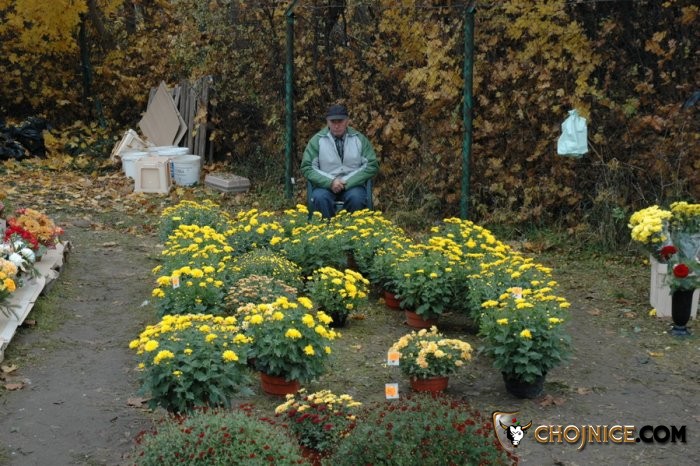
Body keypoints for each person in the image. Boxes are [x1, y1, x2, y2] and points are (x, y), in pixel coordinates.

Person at [301, 104, 379, 218]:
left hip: (353, 186)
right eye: (333, 122)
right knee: (320, 198)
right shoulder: (317, 140)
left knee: (357, 198)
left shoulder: (359, 139)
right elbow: (307, 167)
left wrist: (345, 182)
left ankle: (354, 228)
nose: (336, 125)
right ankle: (326, 228)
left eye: (340, 121)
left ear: (347, 121)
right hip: (325, 186)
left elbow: (372, 165)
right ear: (327, 122)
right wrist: (330, 182)